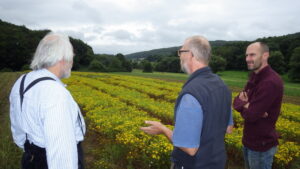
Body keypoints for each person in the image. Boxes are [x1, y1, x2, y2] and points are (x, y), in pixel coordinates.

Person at [140, 35, 233, 169]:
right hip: (217, 162)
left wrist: (163, 129)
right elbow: (228, 128)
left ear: (191, 54)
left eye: (181, 51)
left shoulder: (191, 94)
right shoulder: (222, 86)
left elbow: (189, 148)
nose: (179, 56)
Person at [9, 32, 86, 169]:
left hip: (30, 158)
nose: (72, 63)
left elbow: (17, 129)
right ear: (62, 58)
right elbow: (62, 156)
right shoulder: (55, 93)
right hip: (49, 162)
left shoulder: (22, 81)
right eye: (71, 57)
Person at [233, 42, 283, 169]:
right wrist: (247, 105)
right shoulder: (255, 76)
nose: (248, 59)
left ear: (265, 55)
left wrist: (249, 106)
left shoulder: (270, 82)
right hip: (249, 142)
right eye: (247, 55)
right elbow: (236, 101)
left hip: (261, 147)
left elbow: (251, 116)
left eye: (252, 55)